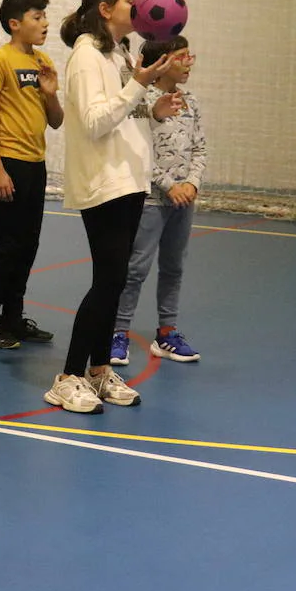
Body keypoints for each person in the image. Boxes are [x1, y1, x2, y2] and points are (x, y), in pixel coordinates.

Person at [45, 0, 178, 414]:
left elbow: (123, 113)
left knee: (116, 280)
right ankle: (67, 377)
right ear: (105, 9)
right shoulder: (86, 56)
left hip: (129, 179)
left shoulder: (118, 52)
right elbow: (95, 121)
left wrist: (151, 109)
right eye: (130, 1)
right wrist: (139, 85)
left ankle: (99, 371)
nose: (137, 8)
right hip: (104, 182)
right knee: (107, 282)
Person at [0, 0, 63, 350]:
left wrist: (51, 92)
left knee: (29, 245)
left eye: (44, 16)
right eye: (37, 17)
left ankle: (13, 317)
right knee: (8, 245)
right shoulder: (0, 59)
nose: (45, 23)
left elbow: (56, 121)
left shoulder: (42, 61)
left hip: (35, 164)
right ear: (15, 24)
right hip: (8, 162)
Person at [111, 35, 205, 365]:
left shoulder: (190, 101)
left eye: (189, 56)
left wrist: (191, 183)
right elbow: (139, 153)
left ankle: (167, 334)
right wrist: (169, 186)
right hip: (152, 201)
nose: (188, 63)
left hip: (184, 202)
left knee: (173, 267)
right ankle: (117, 332)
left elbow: (200, 149)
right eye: (181, 57)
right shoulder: (142, 102)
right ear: (163, 62)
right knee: (136, 268)